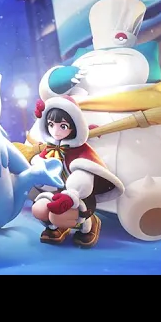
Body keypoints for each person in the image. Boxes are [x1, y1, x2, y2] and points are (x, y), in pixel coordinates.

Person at [30, 96, 124, 248]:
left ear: (74, 126)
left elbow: (84, 176)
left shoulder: (82, 151)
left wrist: (71, 196)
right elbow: (40, 172)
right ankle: (54, 227)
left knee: (61, 214)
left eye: (63, 126)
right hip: (55, 192)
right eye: (51, 125)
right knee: (39, 209)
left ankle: (88, 225)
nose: (55, 131)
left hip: (80, 197)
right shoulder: (49, 149)